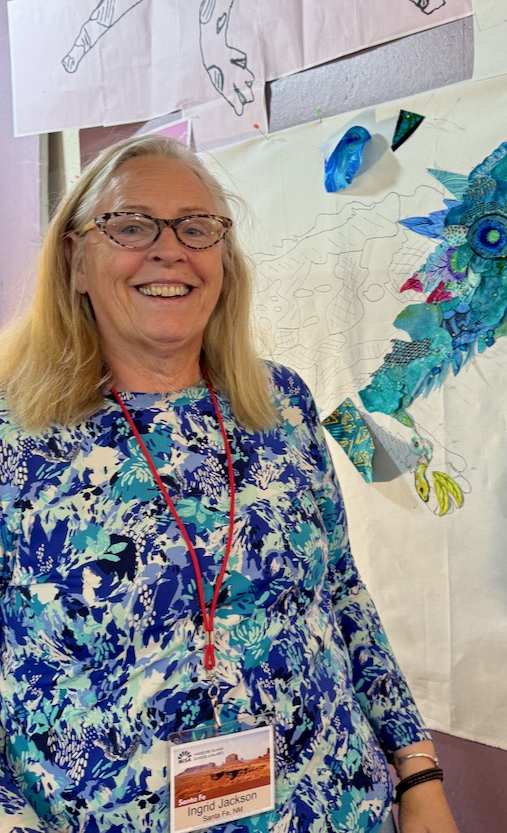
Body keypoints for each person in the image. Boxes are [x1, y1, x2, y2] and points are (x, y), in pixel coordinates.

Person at [0, 135, 460, 833]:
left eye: (197, 227)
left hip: (336, 809)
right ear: (76, 260)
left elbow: (340, 591)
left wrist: (418, 773)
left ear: (223, 258)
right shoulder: (16, 434)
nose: (169, 250)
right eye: (130, 225)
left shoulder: (280, 404)